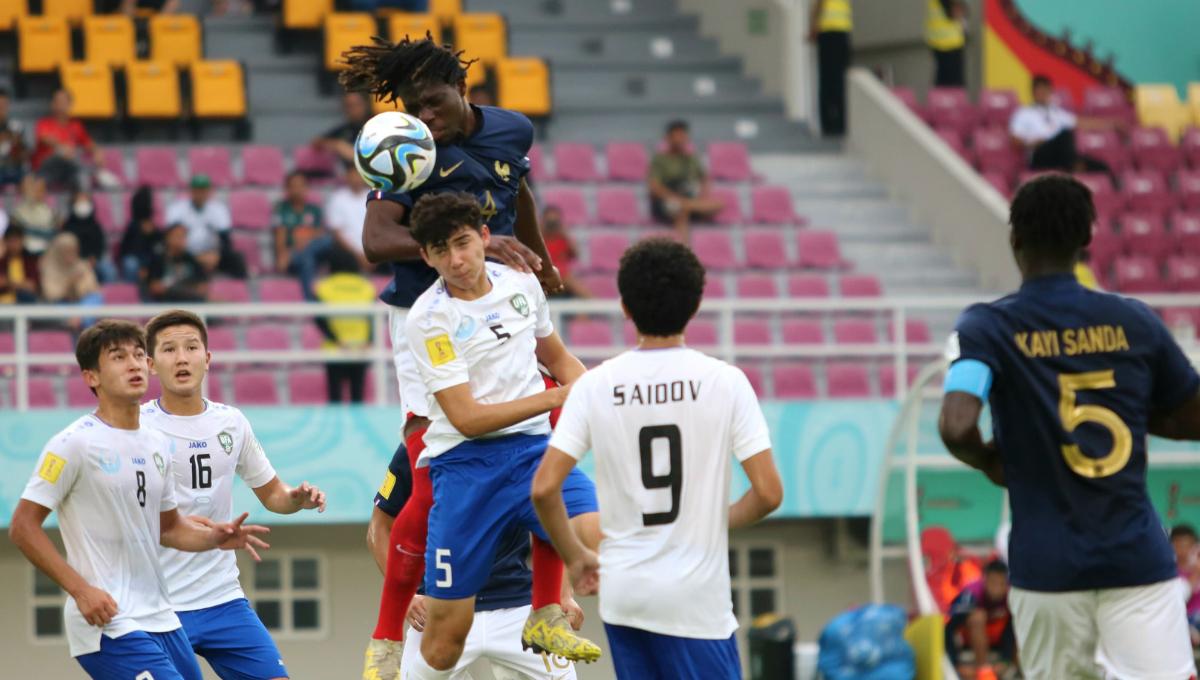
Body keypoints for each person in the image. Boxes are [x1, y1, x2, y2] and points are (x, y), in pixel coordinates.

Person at [337, 34, 572, 672]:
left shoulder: (512, 131)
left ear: (463, 91)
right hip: (425, 317)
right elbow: (376, 239)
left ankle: (548, 606)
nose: (427, 119)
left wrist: (538, 259)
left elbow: (518, 190)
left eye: (435, 104)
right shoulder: (407, 151)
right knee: (432, 449)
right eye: (415, 108)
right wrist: (460, 244)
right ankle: (388, 631)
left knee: (546, 429)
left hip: (496, 304)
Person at [938, 173, 1200, 679]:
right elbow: (1195, 414)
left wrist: (994, 460)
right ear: (1087, 241)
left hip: (1046, 570)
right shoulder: (1135, 321)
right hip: (1136, 563)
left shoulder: (988, 327)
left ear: (1015, 240)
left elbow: (955, 425)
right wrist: (1124, 414)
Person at [531, 238, 784, 680]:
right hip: (694, 601)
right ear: (697, 303)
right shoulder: (725, 382)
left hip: (624, 592)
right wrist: (708, 520)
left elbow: (544, 488)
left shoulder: (596, 384)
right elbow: (767, 494)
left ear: (625, 307)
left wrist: (576, 557)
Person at [398, 192, 601, 679]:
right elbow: (466, 418)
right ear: (426, 256)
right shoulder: (428, 318)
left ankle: (546, 612)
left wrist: (589, 389)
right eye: (442, 250)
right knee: (443, 648)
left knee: (593, 529)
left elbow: (558, 359)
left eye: (464, 243)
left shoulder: (521, 283)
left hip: (533, 451)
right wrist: (557, 399)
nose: (457, 259)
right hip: (466, 466)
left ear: (485, 237)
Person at [7, 319, 269, 680]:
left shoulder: (156, 444)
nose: (132, 364)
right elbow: (22, 526)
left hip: (162, 617)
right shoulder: (72, 444)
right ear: (91, 377)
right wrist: (81, 590)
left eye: (137, 354)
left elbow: (170, 528)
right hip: (108, 621)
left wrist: (215, 538)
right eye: (117, 357)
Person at [141, 309, 327, 680]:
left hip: (223, 599)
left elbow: (273, 493)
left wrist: (297, 498)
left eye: (191, 347)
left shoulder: (231, 422)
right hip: (157, 605)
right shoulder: (137, 427)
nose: (181, 358)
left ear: (207, 360)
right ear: (150, 364)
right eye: (169, 350)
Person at [366, 442, 584, 680]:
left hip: (519, 610)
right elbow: (379, 527)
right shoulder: (419, 444)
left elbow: (553, 519)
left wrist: (563, 594)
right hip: (438, 610)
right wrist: (405, 597)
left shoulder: (524, 439)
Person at [1009, 75, 1118, 175]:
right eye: (1038, 90)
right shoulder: (1023, 113)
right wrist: (1033, 143)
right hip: (1039, 154)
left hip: (1060, 156)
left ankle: (1076, 165)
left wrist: (1113, 124)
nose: (1041, 93)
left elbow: (1081, 123)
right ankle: (1073, 164)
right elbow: (1014, 140)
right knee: (1065, 134)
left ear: (1050, 91)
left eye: (1044, 90)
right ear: (1033, 92)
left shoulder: (1056, 112)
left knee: (1101, 166)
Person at [313, 246, 375, 403]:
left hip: (335, 349)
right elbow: (372, 318)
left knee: (335, 398)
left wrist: (336, 340)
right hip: (361, 347)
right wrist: (369, 340)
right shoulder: (366, 286)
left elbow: (320, 320)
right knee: (357, 397)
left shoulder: (323, 287)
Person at [647, 120, 725, 240]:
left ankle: (689, 206)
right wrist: (674, 197)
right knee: (680, 211)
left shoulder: (692, 158)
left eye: (682, 136)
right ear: (668, 138)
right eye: (676, 136)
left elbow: (704, 178)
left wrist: (703, 193)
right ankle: (685, 251)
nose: (679, 140)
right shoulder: (659, 159)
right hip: (667, 200)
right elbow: (654, 186)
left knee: (718, 204)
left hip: (689, 198)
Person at [944, 560, 1016, 680]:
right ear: (985, 580)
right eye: (993, 583)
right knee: (978, 616)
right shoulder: (970, 595)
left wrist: (1006, 659)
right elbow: (948, 628)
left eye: (1002, 584)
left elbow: (1012, 628)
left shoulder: (1011, 595)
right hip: (970, 637)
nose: (997, 589)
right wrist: (955, 664)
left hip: (998, 638)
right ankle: (983, 669)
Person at [165, 174, 246, 279]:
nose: (200, 194)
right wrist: (196, 257)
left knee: (236, 259)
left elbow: (225, 240)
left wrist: (216, 255)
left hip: (210, 253)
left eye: (203, 190)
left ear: (209, 191)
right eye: (197, 190)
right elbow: (171, 239)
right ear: (191, 191)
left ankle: (239, 290)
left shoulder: (219, 209)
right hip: (186, 254)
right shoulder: (177, 208)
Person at [32, 89, 115, 191]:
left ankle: (83, 203)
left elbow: (88, 143)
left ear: (70, 105)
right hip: (47, 170)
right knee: (63, 155)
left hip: (68, 170)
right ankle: (97, 173)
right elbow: (44, 138)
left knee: (80, 176)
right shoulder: (44, 123)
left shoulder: (75, 125)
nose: (60, 105)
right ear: (52, 104)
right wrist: (62, 147)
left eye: (63, 102)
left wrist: (97, 152)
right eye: (57, 102)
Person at [40, 232, 103, 329]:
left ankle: (80, 320)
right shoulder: (48, 267)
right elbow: (51, 295)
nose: (71, 254)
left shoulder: (82, 265)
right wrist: (69, 283)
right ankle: (79, 321)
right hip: (61, 304)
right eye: (67, 251)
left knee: (95, 298)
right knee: (56, 307)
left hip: (80, 304)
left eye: (73, 250)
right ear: (58, 251)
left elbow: (92, 289)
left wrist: (78, 286)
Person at [808, 0, 852, 136]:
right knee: (832, 80)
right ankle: (833, 125)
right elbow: (818, 4)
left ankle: (835, 124)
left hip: (837, 32)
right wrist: (814, 27)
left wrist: (813, 27)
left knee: (833, 80)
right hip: (831, 32)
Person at [272, 170, 323, 274]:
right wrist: (283, 254)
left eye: (301, 186)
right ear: (287, 189)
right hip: (293, 256)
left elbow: (319, 235)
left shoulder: (314, 210)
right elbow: (280, 238)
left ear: (307, 188)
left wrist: (304, 238)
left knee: (329, 242)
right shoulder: (281, 210)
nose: (298, 190)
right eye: (294, 186)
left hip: (312, 252)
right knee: (307, 260)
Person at [145, 224, 209, 303]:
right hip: (164, 306)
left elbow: (202, 288)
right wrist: (185, 289)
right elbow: (155, 288)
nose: (181, 239)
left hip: (190, 305)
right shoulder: (158, 259)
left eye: (184, 236)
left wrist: (174, 288)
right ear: (167, 238)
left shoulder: (191, 259)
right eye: (178, 236)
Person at [62, 190, 115, 282]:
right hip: (75, 262)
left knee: (109, 271)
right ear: (73, 204)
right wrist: (81, 261)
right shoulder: (68, 226)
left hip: (94, 260)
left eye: (85, 201)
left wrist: (94, 258)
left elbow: (101, 245)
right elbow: (66, 248)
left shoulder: (95, 225)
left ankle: (107, 294)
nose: (83, 204)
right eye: (80, 201)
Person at [541, 205, 589, 298]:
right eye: (549, 222)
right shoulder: (540, 240)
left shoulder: (562, 239)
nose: (552, 225)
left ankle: (596, 307)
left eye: (555, 222)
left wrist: (564, 233)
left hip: (564, 279)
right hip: (545, 277)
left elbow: (576, 254)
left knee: (580, 296)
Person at [312, 91, 371, 166]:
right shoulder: (345, 129)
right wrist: (338, 145)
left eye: (356, 105)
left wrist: (354, 155)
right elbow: (317, 142)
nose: (353, 110)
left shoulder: (376, 127)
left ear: (366, 105)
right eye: (348, 106)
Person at [118, 186, 162, 283]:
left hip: (150, 263)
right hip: (136, 261)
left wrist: (147, 266)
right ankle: (132, 293)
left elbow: (157, 250)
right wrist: (143, 266)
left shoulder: (155, 230)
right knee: (131, 264)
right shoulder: (133, 227)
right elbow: (129, 250)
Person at [10, 173, 58, 255]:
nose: (34, 192)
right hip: (24, 252)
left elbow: (52, 234)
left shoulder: (51, 212)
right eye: (31, 188)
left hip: (46, 250)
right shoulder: (17, 212)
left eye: (39, 189)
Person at [1171, 524, 1200, 646]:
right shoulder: (1170, 572)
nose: (1182, 550)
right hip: (1179, 619)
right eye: (1178, 545)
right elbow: (1178, 599)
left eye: (1187, 545)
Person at [926, 0, 967, 87]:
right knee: (954, 85)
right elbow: (955, 12)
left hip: (937, 42)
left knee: (942, 82)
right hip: (951, 43)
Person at [0, 224, 41, 303]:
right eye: (10, 241)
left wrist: (8, 282)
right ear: (5, 242)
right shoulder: (1, 262)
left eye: (16, 241)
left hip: (25, 302)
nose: (13, 245)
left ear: (22, 241)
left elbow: (32, 286)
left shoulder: (30, 261)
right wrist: (22, 284)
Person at [0, 87, 28, 187]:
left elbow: (24, 155)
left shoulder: (16, 126)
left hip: (15, 168)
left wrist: (18, 146)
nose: (1, 108)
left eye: (4, 104)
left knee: (30, 181)